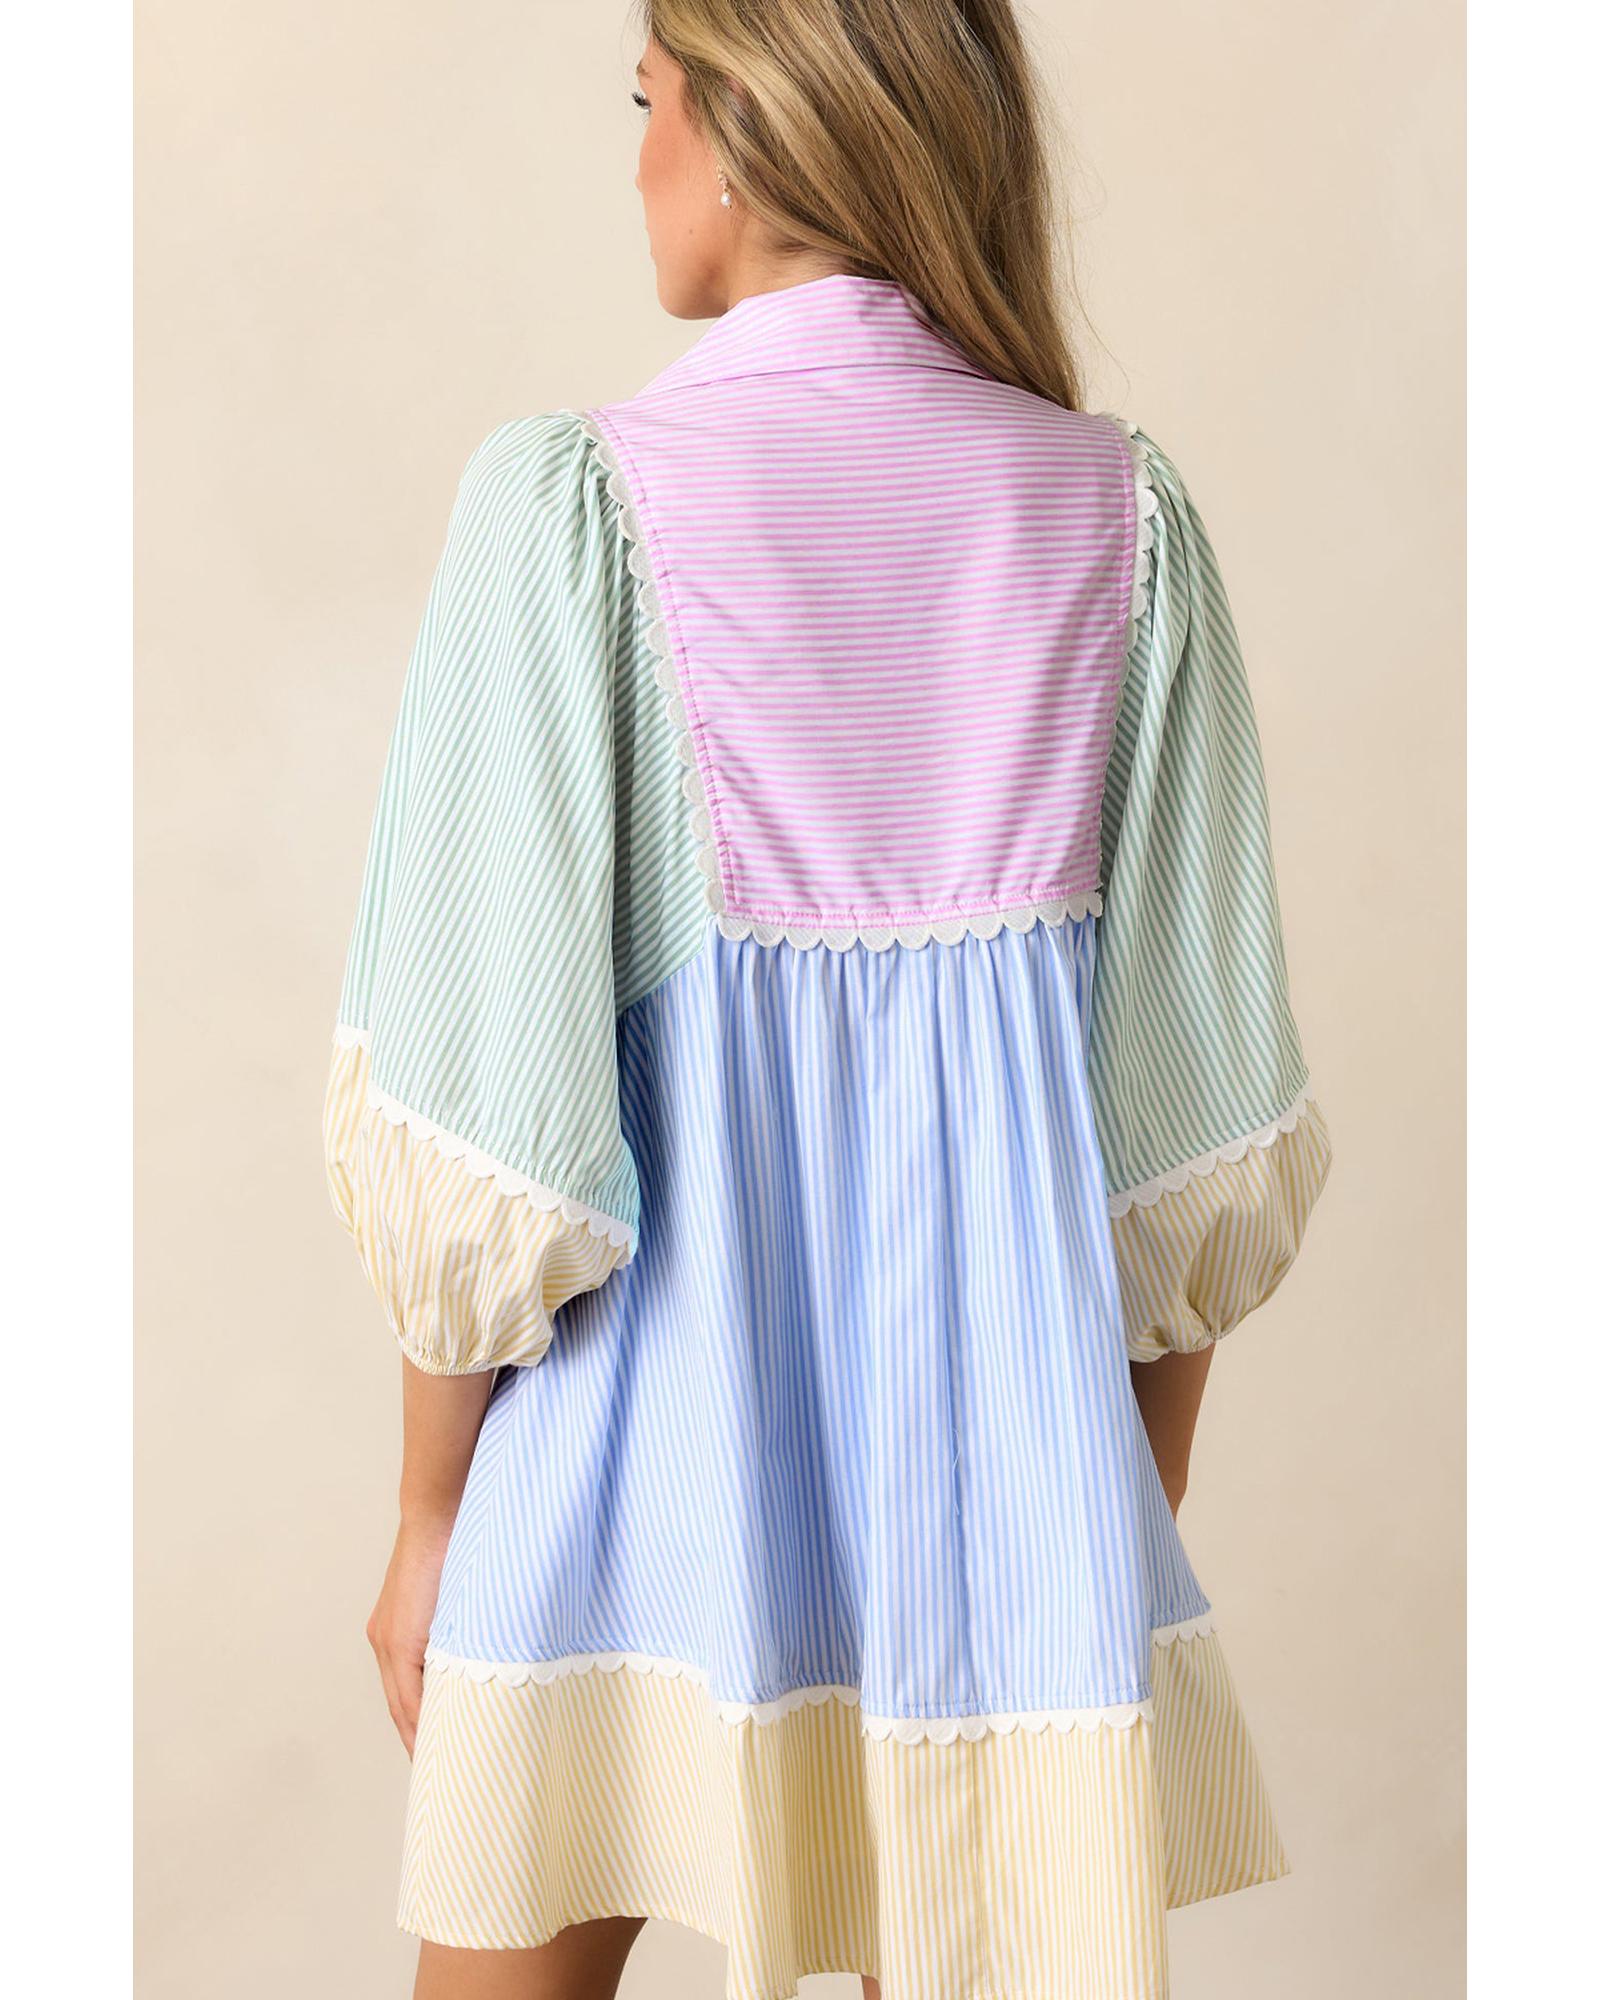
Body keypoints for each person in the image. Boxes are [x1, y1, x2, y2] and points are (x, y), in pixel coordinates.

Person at [322, 5, 1334, 1997]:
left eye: (644, 101)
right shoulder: (1119, 519)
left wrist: (431, 1511)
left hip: (623, 1471)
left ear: (738, 130)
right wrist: (1095, 1498)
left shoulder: (570, 510)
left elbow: (484, 1108)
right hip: (997, 1496)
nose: (632, 156)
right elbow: (1190, 1128)